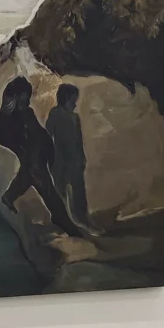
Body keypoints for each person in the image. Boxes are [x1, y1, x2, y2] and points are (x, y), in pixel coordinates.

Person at [0, 78, 82, 238]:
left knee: (33, 173)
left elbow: (40, 133)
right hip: (32, 160)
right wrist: (30, 144)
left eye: (28, 97)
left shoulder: (27, 114)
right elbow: (15, 140)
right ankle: (63, 221)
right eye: (24, 97)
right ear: (14, 97)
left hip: (36, 159)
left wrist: (49, 150)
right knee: (40, 179)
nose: (27, 101)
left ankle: (10, 196)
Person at [46, 83, 91, 228]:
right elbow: (48, 136)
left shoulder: (75, 117)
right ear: (66, 98)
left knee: (78, 191)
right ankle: (63, 221)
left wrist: (82, 158)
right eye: (73, 100)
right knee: (60, 192)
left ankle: (82, 219)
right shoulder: (55, 113)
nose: (75, 104)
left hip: (75, 160)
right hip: (59, 160)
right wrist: (49, 158)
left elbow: (79, 141)